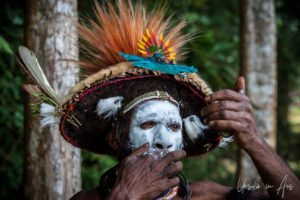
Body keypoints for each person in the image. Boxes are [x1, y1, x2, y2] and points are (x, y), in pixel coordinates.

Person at [20, 0, 300, 199]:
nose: (164, 140)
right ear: (115, 137)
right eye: (147, 124)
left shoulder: (209, 195)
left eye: (174, 127)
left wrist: (253, 139)